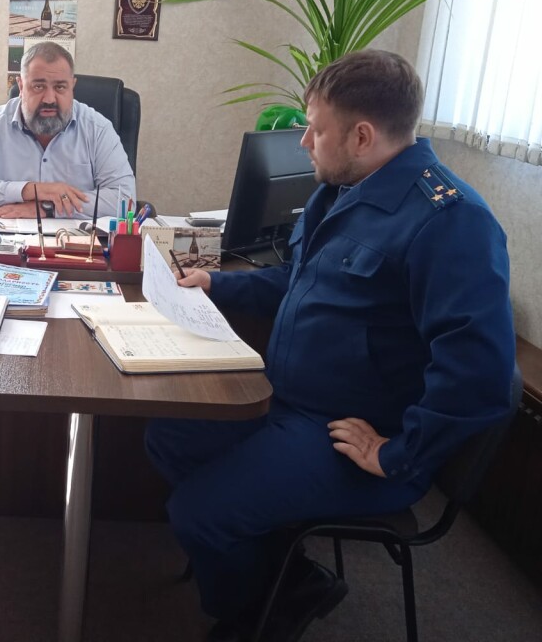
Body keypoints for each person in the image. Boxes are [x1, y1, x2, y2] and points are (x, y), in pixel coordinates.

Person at [145, 50, 516, 642]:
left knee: (199, 514)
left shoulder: (449, 221)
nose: (303, 143)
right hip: (289, 403)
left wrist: (398, 453)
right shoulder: (340, 191)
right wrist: (218, 284)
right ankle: (288, 573)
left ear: (362, 136)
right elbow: (298, 282)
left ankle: (259, 615)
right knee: (168, 434)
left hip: (354, 435)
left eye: (315, 129)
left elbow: (483, 373)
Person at [0, 41, 136, 219]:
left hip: (77, 239)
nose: (49, 99)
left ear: (72, 87)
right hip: (5, 236)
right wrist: (29, 190)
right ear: (21, 86)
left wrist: (47, 208)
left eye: (60, 87)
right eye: (38, 86)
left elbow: (125, 200)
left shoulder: (98, 129)